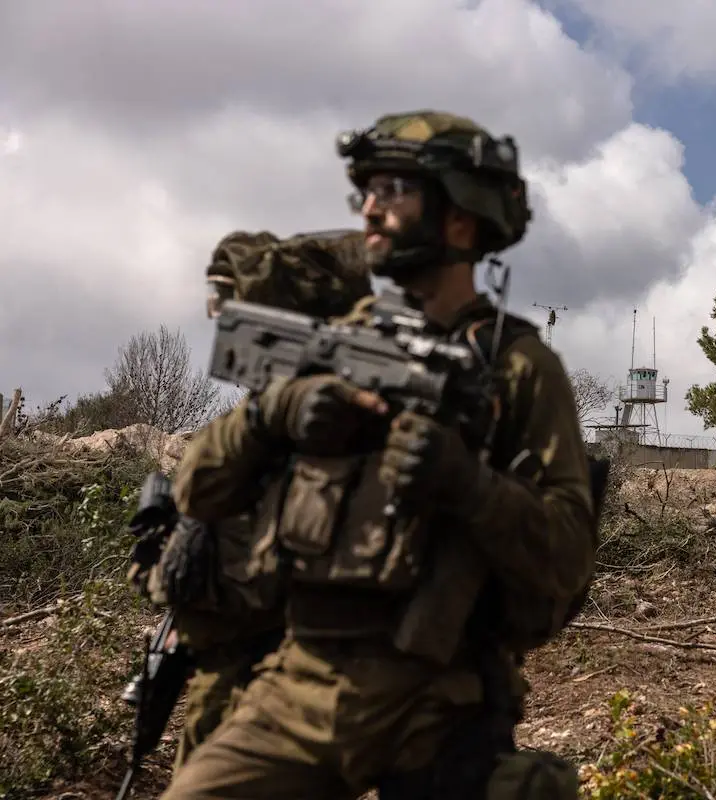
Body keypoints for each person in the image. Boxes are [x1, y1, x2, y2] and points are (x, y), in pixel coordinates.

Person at [160, 110, 596, 800]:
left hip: (440, 697)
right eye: (365, 190)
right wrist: (276, 414)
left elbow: (568, 560)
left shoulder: (518, 368)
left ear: (460, 217)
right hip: (300, 679)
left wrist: (467, 485)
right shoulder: (336, 341)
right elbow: (198, 490)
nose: (369, 207)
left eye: (393, 189)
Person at [128, 228, 374, 774]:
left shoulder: (347, 417)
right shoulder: (265, 414)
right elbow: (201, 490)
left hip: (297, 673)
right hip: (228, 660)